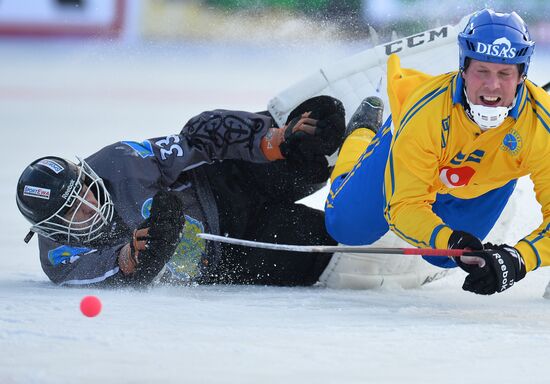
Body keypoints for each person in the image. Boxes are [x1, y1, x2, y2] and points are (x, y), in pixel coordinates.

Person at [325, 9, 550, 295]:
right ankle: (362, 133)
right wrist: (448, 237)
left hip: (480, 181)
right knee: (346, 227)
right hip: (415, 148)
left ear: (522, 76)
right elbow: (403, 205)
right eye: (482, 70)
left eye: (505, 73)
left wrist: (518, 259)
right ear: (464, 68)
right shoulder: (425, 113)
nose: (492, 86)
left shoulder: (542, 124)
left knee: (443, 257)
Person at [16, 96, 345, 287]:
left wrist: (270, 140)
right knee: (329, 242)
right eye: (73, 210)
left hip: (227, 182)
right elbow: (113, 272)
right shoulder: (60, 258)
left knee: (312, 132)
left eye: (84, 190)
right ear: (52, 228)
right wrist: (137, 255)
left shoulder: (120, 163)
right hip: (233, 252)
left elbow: (199, 137)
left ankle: (342, 145)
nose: (89, 205)